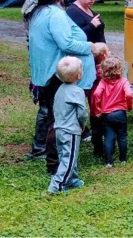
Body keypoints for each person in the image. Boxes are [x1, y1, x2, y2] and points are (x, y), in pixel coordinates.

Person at [29, 0, 97, 175]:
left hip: (45, 74)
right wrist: (90, 47)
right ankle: (56, 165)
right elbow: (66, 43)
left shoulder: (38, 12)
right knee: (59, 121)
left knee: (53, 116)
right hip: (56, 74)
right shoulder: (55, 14)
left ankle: (57, 163)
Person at [66, 0, 105, 151]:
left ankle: (96, 131)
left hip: (97, 60)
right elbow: (72, 39)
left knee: (97, 97)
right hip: (83, 61)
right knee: (81, 96)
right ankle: (80, 130)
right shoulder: (72, 12)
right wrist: (91, 25)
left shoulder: (89, 10)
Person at [47, 57, 87, 194]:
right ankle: (56, 185)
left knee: (66, 156)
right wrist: (82, 125)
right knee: (68, 160)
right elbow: (82, 113)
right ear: (79, 75)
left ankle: (72, 179)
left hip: (58, 129)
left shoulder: (60, 89)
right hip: (71, 130)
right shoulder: (77, 92)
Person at [23, 0, 50, 160]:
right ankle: (39, 147)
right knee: (46, 101)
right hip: (42, 55)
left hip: (47, 54)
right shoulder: (35, 1)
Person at [92, 55, 133, 168]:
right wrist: (129, 106)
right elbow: (129, 94)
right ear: (120, 69)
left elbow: (96, 94)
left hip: (107, 115)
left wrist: (97, 109)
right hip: (120, 113)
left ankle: (109, 161)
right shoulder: (124, 81)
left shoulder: (103, 82)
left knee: (109, 137)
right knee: (122, 137)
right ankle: (123, 159)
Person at [88, 43, 111, 158]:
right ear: (104, 55)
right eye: (109, 51)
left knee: (95, 129)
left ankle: (97, 150)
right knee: (107, 128)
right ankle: (108, 149)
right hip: (106, 104)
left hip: (93, 105)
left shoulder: (90, 70)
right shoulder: (106, 72)